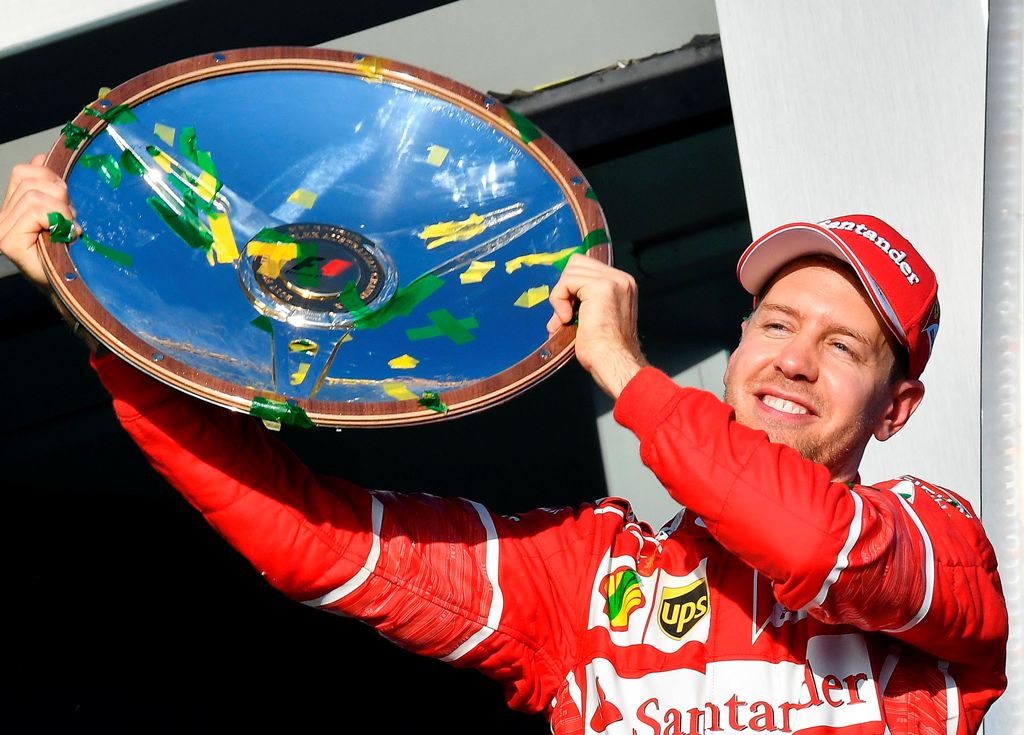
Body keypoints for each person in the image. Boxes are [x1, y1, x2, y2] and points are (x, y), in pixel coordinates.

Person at [1, 156, 1008, 735]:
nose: (793, 362)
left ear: (895, 408)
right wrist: (100, 316)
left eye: (844, 348)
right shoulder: (590, 573)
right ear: (740, 347)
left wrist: (625, 374)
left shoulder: (938, 548)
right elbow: (313, 540)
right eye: (778, 325)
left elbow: (810, 547)